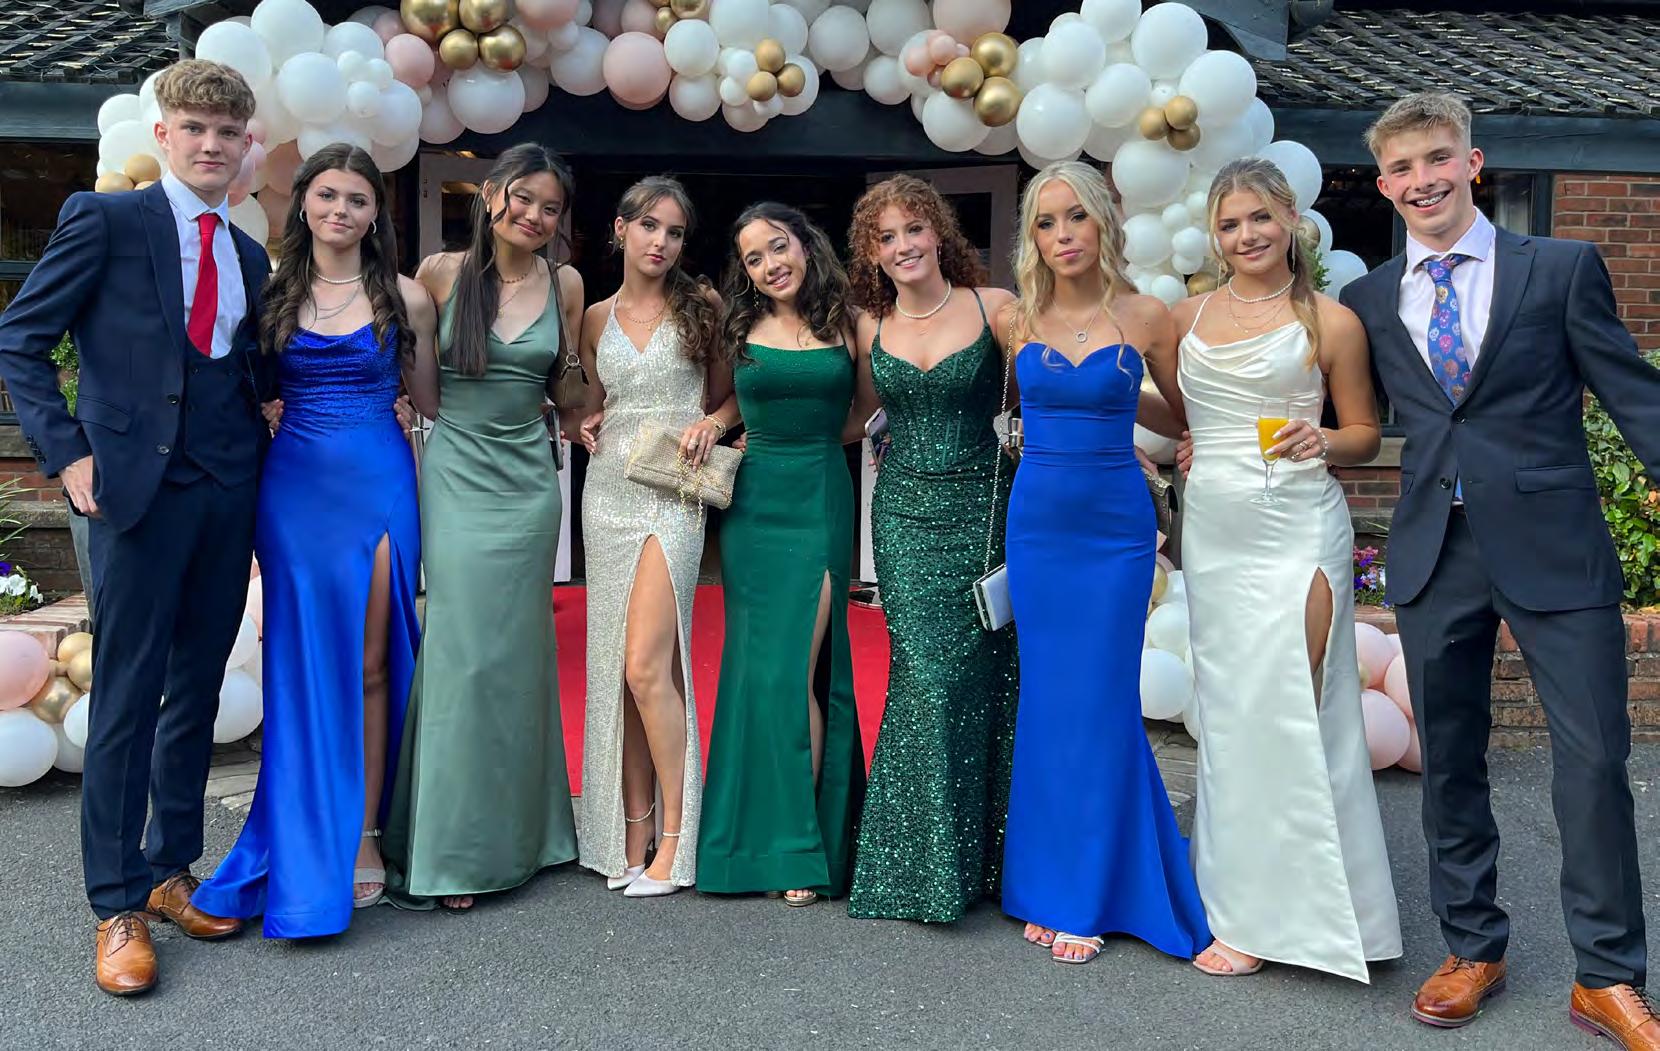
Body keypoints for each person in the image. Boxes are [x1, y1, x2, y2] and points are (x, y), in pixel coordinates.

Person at [1338, 93, 1660, 1043]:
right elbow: (1337, 410)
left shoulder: (1559, 267)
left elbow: (1633, 393)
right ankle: (1472, 945)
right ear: (1384, 185)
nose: (1422, 180)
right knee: (1449, 762)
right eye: (1402, 168)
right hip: (1434, 551)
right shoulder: (1367, 300)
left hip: (1555, 544)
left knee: (1595, 759)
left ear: (1472, 163)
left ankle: (1607, 974)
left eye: (1438, 158)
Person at [0, 59, 274, 995]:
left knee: (195, 688)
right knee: (126, 694)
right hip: (129, 495)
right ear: (163, 136)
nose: (211, 145)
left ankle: (167, 869)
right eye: (194, 129)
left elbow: (240, 371)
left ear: (246, 145)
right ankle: (115, 902)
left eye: (227, 133)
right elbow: (21, 339)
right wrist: (68, 452)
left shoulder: (250, 258)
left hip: (225, 493)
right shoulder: (106, 221)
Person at [1162, 157, 1400, 981]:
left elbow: (1365, 434)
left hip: (1299, 527)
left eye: (1260, 217)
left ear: (1292, 217)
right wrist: (1184, 440)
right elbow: (1179, 412)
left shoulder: (1331, 322)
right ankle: (1239, 907)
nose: (1247, 235)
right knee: (1231, 717)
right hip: (1216, 534)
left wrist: (1323, 437)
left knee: (1299, 705)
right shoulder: (1185, 318)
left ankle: (1328, 917)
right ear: (1214, 234)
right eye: (1229, 223)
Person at [190, 144, 438, 936]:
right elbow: (239, 388)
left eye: (358, 199)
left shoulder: (406, 296)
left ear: (375, 214)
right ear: (303, 203)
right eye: (328, 194)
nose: (341, 210)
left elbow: (432, 400)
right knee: (300, 669)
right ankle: (303, 836)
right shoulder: (269, 294)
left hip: (379, 478)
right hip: (294, 489)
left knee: (371, 663)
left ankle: (366, 832)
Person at [997, 161, 1206, 966]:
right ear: (1033, 237)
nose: (1063, 235)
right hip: (1040, 526)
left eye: (1076, 216)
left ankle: (1087, 889)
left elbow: (1181, 414)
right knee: (1051, 700)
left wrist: (1130, 411)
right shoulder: (1016, 318)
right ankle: (1048, 882)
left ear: (1104, 222)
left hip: (1116, 529)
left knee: (1104, 699)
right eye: (1046, 222)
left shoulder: (1147, 316)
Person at [383, 143, 585, 912]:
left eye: (550, 207)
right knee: (463, 654)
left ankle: (531, 835)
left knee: (519, 653)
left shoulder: (565, 283)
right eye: (523, 198)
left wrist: (579, 384)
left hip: (531, 481)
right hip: (460, 473)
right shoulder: (440, 274)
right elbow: (426, 393)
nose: (534, 215)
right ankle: (453, 846)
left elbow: (569, 390)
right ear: (492, 194)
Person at [843, 176, 1018, 924]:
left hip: (982, 508)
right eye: (885, 237)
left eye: (913, 229)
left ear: (939, 233)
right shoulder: (868, 325)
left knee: (980, 677)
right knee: (922, 673)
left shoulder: (996, 307)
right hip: (904, 515)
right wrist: (758, 432)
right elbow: (855, 416)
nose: (903, 246)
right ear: (871, 253)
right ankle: (916, 866)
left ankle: (983, 860)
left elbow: (1044, 393)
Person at [698, 202, 876, 907]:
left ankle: (801, 842)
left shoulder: (851, 322)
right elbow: (729, 400)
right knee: (763, 672)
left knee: (800, 666)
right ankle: (768, 834)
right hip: (753, 509)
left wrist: (812, 438)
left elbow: (866, 412)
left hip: (819, 497)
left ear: (805, 244)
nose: (771, 264)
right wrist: (714, 426)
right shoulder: (738, 325)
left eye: (778, 247)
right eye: (754, 258)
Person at [574, 176, 732, 897]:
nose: (661, 242)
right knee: (619, 668)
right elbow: (595, 400)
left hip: (673, 493)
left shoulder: (703, 306)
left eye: (674, 232)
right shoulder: (594, 317)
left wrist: (714, 423)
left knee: (646, 666)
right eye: (648, 226)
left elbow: (732, 395)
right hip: (607, 492)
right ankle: (631, 830)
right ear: (620, 229)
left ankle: (676, 837)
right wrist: (584, 419)